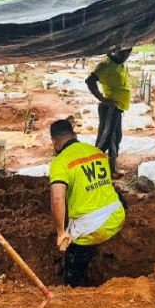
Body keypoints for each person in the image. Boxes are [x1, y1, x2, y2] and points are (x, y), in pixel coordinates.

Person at [48, 119, 125, 287]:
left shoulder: (60, 163)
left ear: (54, 142)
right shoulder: (97, 152)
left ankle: (75, 290)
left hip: (93, 227)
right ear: (75, 135)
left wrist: (61, 232)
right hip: (117, 216)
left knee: (73, 263)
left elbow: (57, 199)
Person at [85, 48, 132, 177]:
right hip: (110, 108)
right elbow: (89, 81)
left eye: (127, 54)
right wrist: (102, 99)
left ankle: (112, 170)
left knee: (116, 138)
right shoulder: (105, 65)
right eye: (122, 53)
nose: (124, 56)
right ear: (115, 51)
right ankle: (91, 169)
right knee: (104, 140)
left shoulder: (120, 64)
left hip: (118, 108)